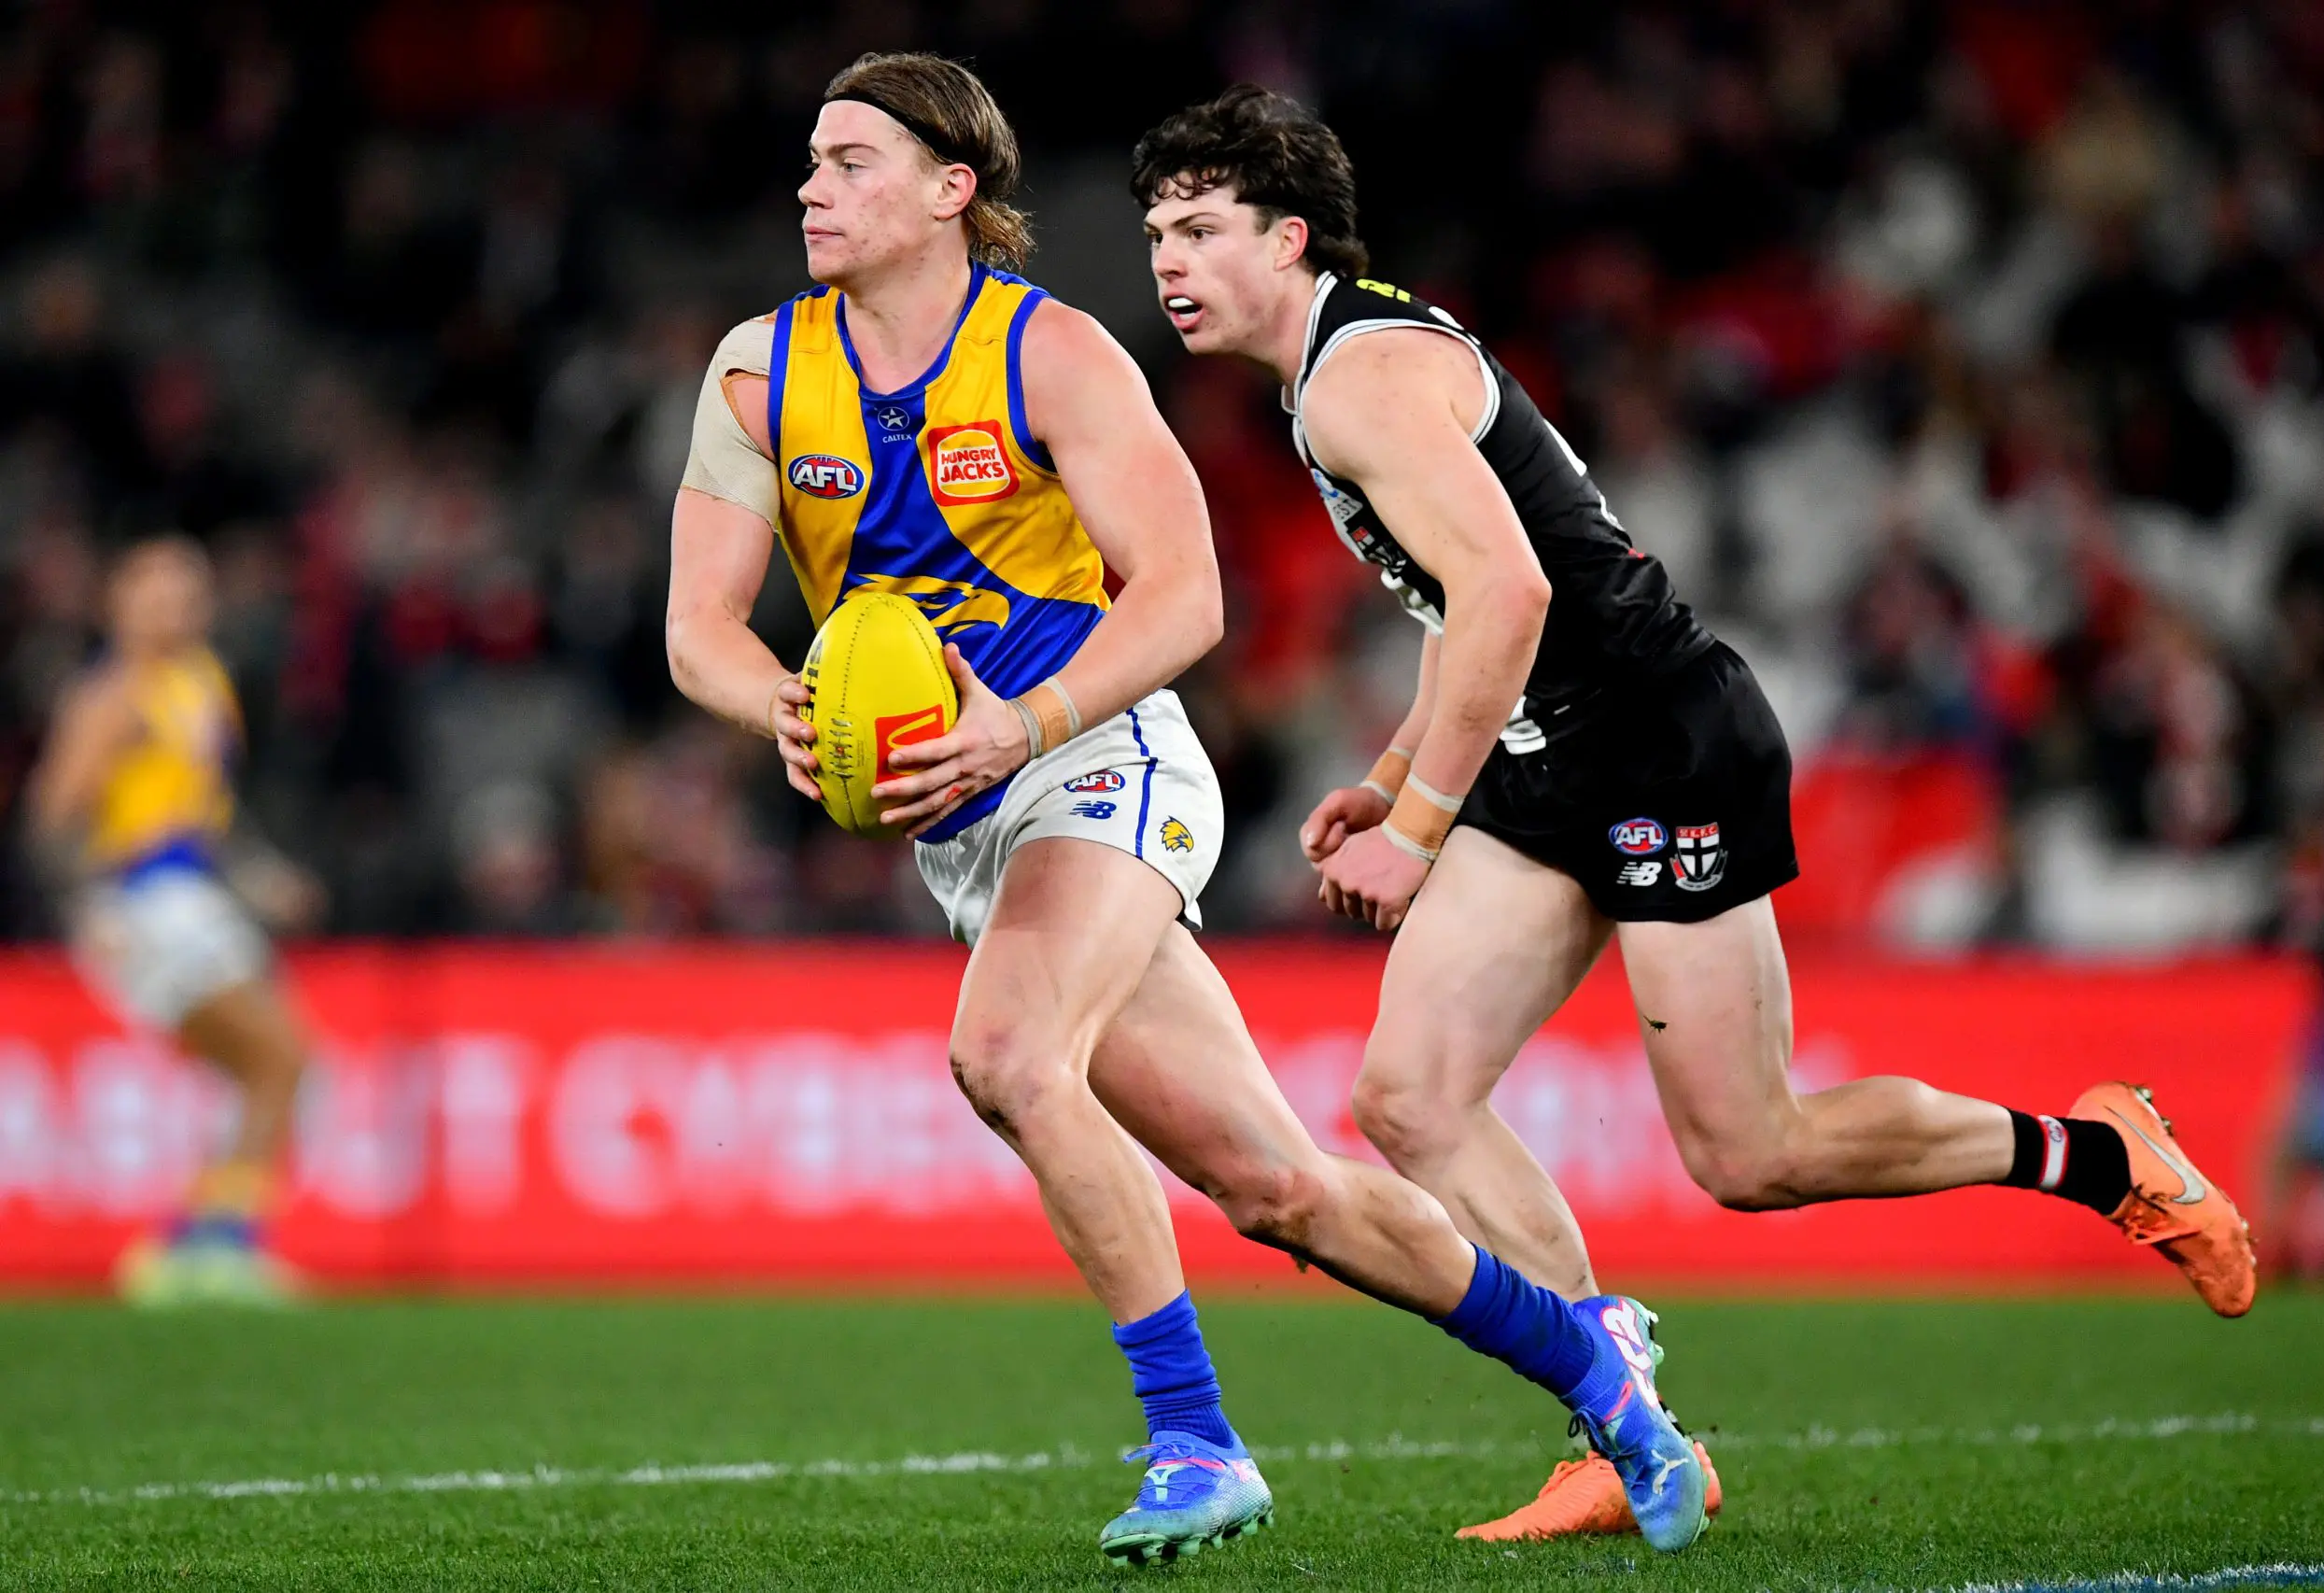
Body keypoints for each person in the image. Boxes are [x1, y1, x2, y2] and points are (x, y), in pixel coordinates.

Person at [1133, 84, 2259, 1542]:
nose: (1170, 260)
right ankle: (1621, 1414)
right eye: (1160, 228)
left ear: (1290, 239)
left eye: (1204, 229)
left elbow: (1513, 592)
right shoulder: (1328, 367)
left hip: (1662, 745)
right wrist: (1403, 765)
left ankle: (2103, 1153)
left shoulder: (1356, 379)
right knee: (1408, 1097)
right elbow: (1463, 590)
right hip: (1549, 755)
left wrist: (1416, 828)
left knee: (1751, 1154)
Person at [664, 51, 1715, 1566]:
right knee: (1278, 1187)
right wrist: (784, 703)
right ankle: (1599, 1378)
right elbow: (701, 629)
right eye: (812, 162)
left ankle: (1195, 1440)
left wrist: (1019, 722)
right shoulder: (757, 372)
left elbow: (1187, 596)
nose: (812, 187)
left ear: (955, 188)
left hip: (1097, 757)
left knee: (1009, 1053)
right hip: (965, 818)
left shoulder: (1053, 355)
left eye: (850, 161)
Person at [27, 535, 319, 1306]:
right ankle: (214, 1246)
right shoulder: (111, 697)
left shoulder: (202, 684)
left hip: (198, 899)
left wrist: (260, 875)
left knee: (264, 1070)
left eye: (188, 589)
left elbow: (206, 813)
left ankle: (193, 1246)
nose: (175, 604)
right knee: (278, 1057)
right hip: (144, 905)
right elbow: (51, 818)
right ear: (116, 603)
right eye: (155, 589)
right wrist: (84, 909)